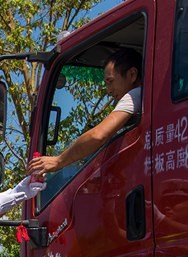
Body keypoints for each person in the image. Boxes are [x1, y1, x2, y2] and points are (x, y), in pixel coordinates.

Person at [32, 47, 142, 178]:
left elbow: (98, 135)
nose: (109, 90)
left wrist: (58, 161)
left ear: (132, 75)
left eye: (110, 81)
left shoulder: (135, 95)